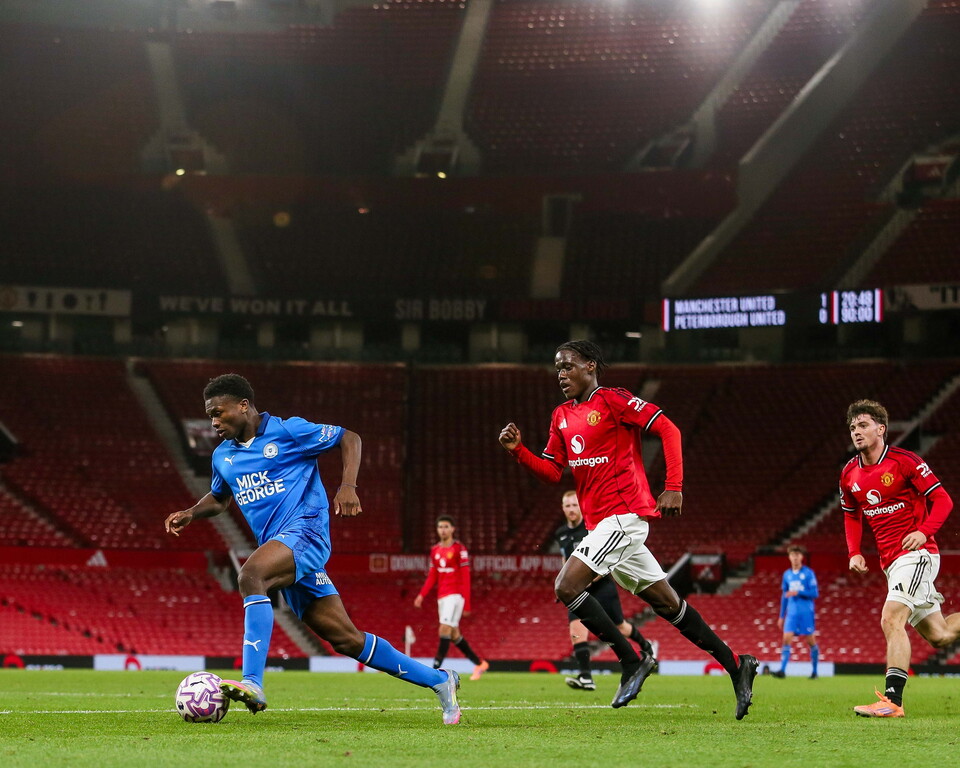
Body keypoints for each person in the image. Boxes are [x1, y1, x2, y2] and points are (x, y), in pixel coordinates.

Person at [164, 374, 461, 725]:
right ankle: (440, 681)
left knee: (251, 575)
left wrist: (347, 485)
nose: (213, 422)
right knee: (347, 640)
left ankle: (253, 683)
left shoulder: (288, 431)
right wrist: (191, 513)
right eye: (210, 415)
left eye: (218, 412)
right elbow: (219, 497)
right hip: (280, 548)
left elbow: (349, 437)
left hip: (306, 532)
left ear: (243, 405)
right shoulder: (223, 457)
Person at [498, 340, 758, 718]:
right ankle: (737, 663)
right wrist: (519, 450)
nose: (561, 375)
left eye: (568, 366)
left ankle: (632, 660)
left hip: (624, 516)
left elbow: (669, 430)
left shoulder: (614, 400)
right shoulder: (560, 416)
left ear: (590, 366)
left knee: (566, 586)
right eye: (557, 369)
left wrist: (674, 487)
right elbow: (553, 472)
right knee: (668, 604)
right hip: (601, 524)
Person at [841, 399, 960, 718]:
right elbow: (851, 515)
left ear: (881, 429)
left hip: (917, 555)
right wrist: (854, 551)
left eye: (863, 425)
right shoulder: (849, 474)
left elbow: (943, 500)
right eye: (853, 427)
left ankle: (892, 701)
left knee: (891, 618)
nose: (856, 431)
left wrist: (924, 531)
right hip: (891, 563)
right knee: (941, 635)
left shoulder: (905, 462)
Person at [554, 490, 657, 690]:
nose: (572, 509)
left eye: (575, 505)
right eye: (568, 506)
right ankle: (585, 676)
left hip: (602, 585)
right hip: (578, 588)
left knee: (620, 626)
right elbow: (566, 560)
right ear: (563, 508)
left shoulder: (592, 528)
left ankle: (646, 647)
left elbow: (607, 558)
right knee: (576, 629)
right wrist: (564, 581)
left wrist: (591, 578)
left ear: (581, 506)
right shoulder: (561, 533)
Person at [413, 515, 490, 680]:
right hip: (442, 596)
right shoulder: (435, 550)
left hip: (455, 596)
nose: (443, 530)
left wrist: (467, 603)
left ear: (453, 529)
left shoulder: (459, 549)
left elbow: (466, 576)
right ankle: (479, 663)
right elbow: (433, 575)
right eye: (440, 527)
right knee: (454, 634)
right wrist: (422, 595)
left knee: (444, 629)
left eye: (446, 526)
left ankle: (434, 670)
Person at [771, 545, 819, 679]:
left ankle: (814, 672)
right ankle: (782, 670)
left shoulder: (808, 573)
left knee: (810, 641)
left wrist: (798, 592)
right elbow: (784, 596)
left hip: (805, 612)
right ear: (789, 557)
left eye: (798, 555)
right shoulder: (787, 574)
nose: (795, 557)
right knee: (786, 640)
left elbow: (814, 593)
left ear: (801, 557)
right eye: (793, 555)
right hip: (791, 613)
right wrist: (781, 616)